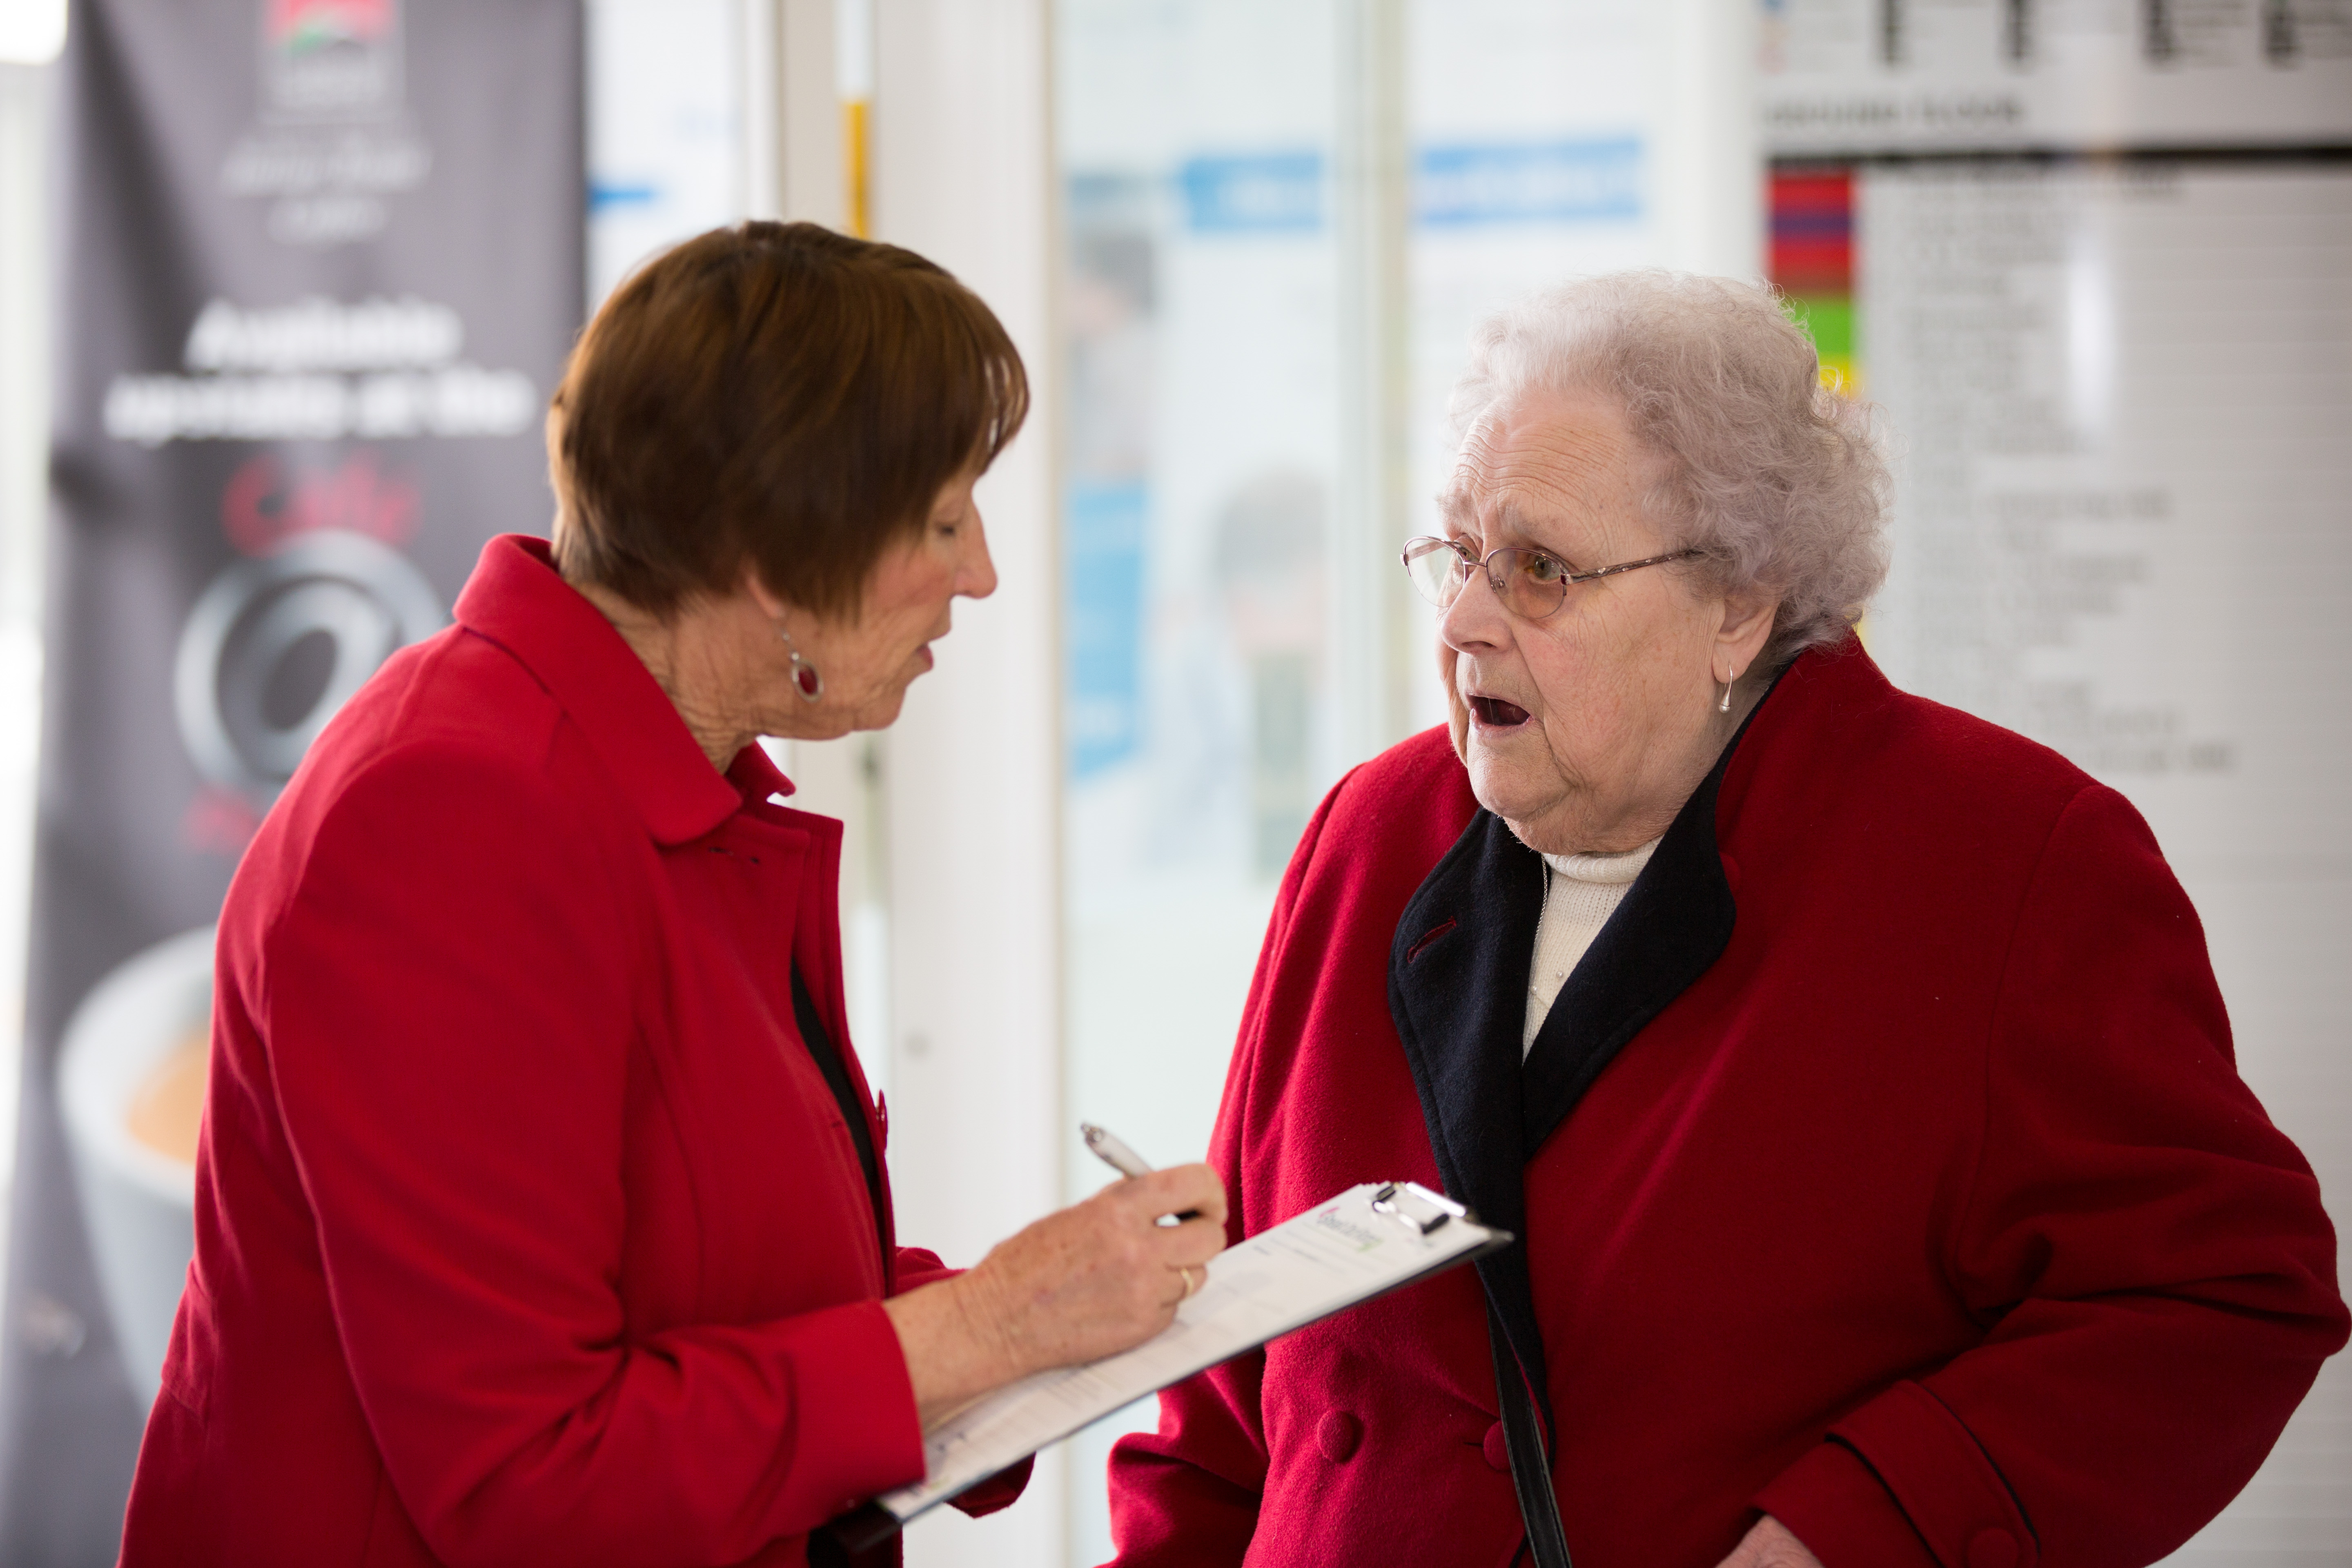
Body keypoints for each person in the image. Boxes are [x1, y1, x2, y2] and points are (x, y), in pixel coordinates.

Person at [1105, 272, 2347, 1568]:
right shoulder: (1366, 837)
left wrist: (1862, 1529)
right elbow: (1221, 1399)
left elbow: (2221, 1296)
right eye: (1458, 556)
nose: (1467, 623)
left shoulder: (2001, 859)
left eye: (1540, 571)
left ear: (1737, 607)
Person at [118, 222, 1226, 1568]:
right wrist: (992, 1325)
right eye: (941, 520)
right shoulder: (449, 820)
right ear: (770, 560)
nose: (979, 572)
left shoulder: (656, 788)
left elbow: (724, 1305)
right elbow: (528, 1478)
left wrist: (1064, 1308)